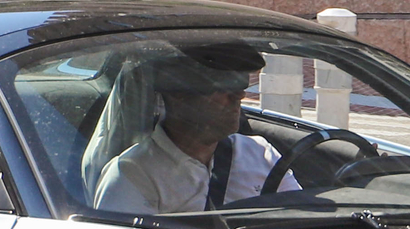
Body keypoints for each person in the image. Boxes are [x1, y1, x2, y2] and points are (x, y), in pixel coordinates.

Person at [91, 46, 281, 215]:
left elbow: (302, 214)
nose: (239, 95)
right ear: (178, 94)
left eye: (241, 83)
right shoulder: (131, 175)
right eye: (223, 84)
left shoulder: (261, 153)